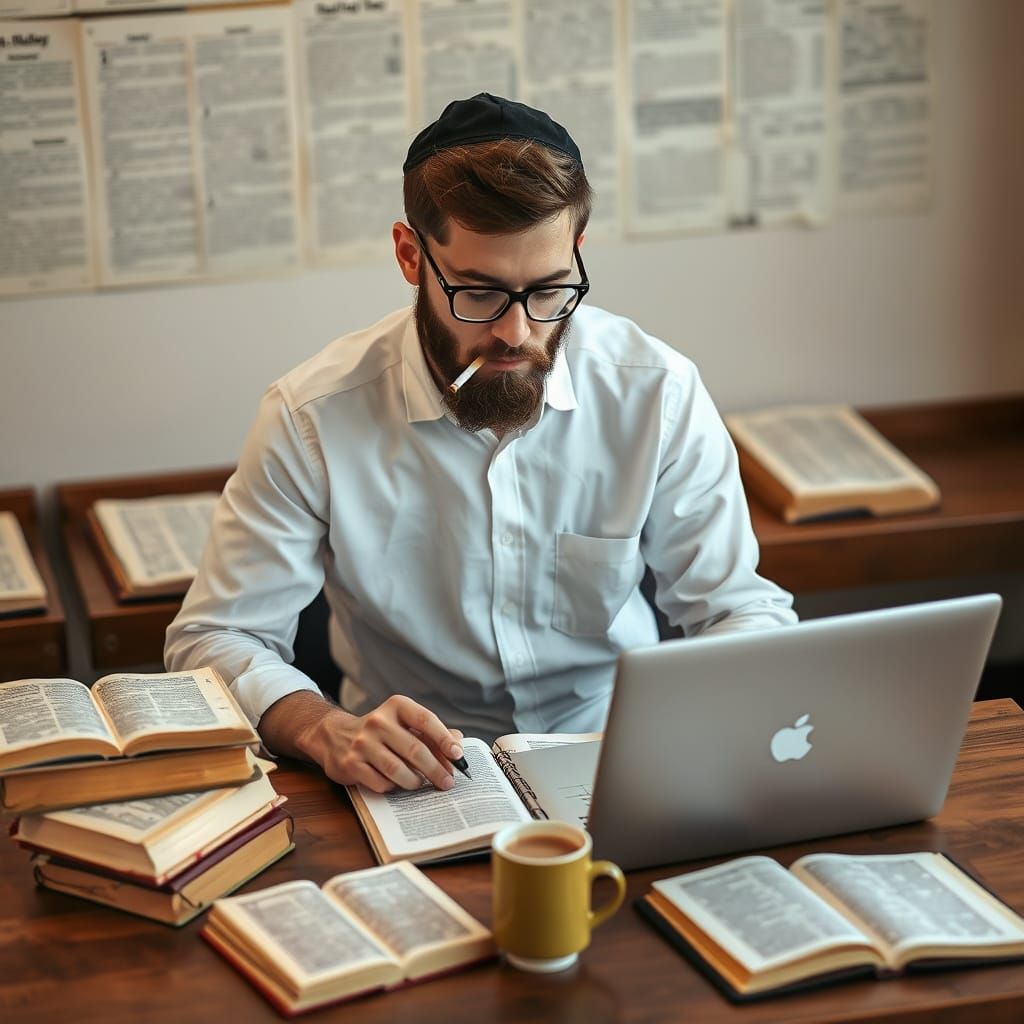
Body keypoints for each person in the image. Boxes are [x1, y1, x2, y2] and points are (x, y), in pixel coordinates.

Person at [165, 93, 797, 797]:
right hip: (414, 774)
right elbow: (213, 638)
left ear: (577, 252)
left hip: (619, 752)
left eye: (550, 290)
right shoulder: (312, 416)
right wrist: (323, 727)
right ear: (411, 256)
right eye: (479, 293)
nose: (515, 333)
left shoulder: (657, 392)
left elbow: (739, 610)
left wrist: (684, 726)